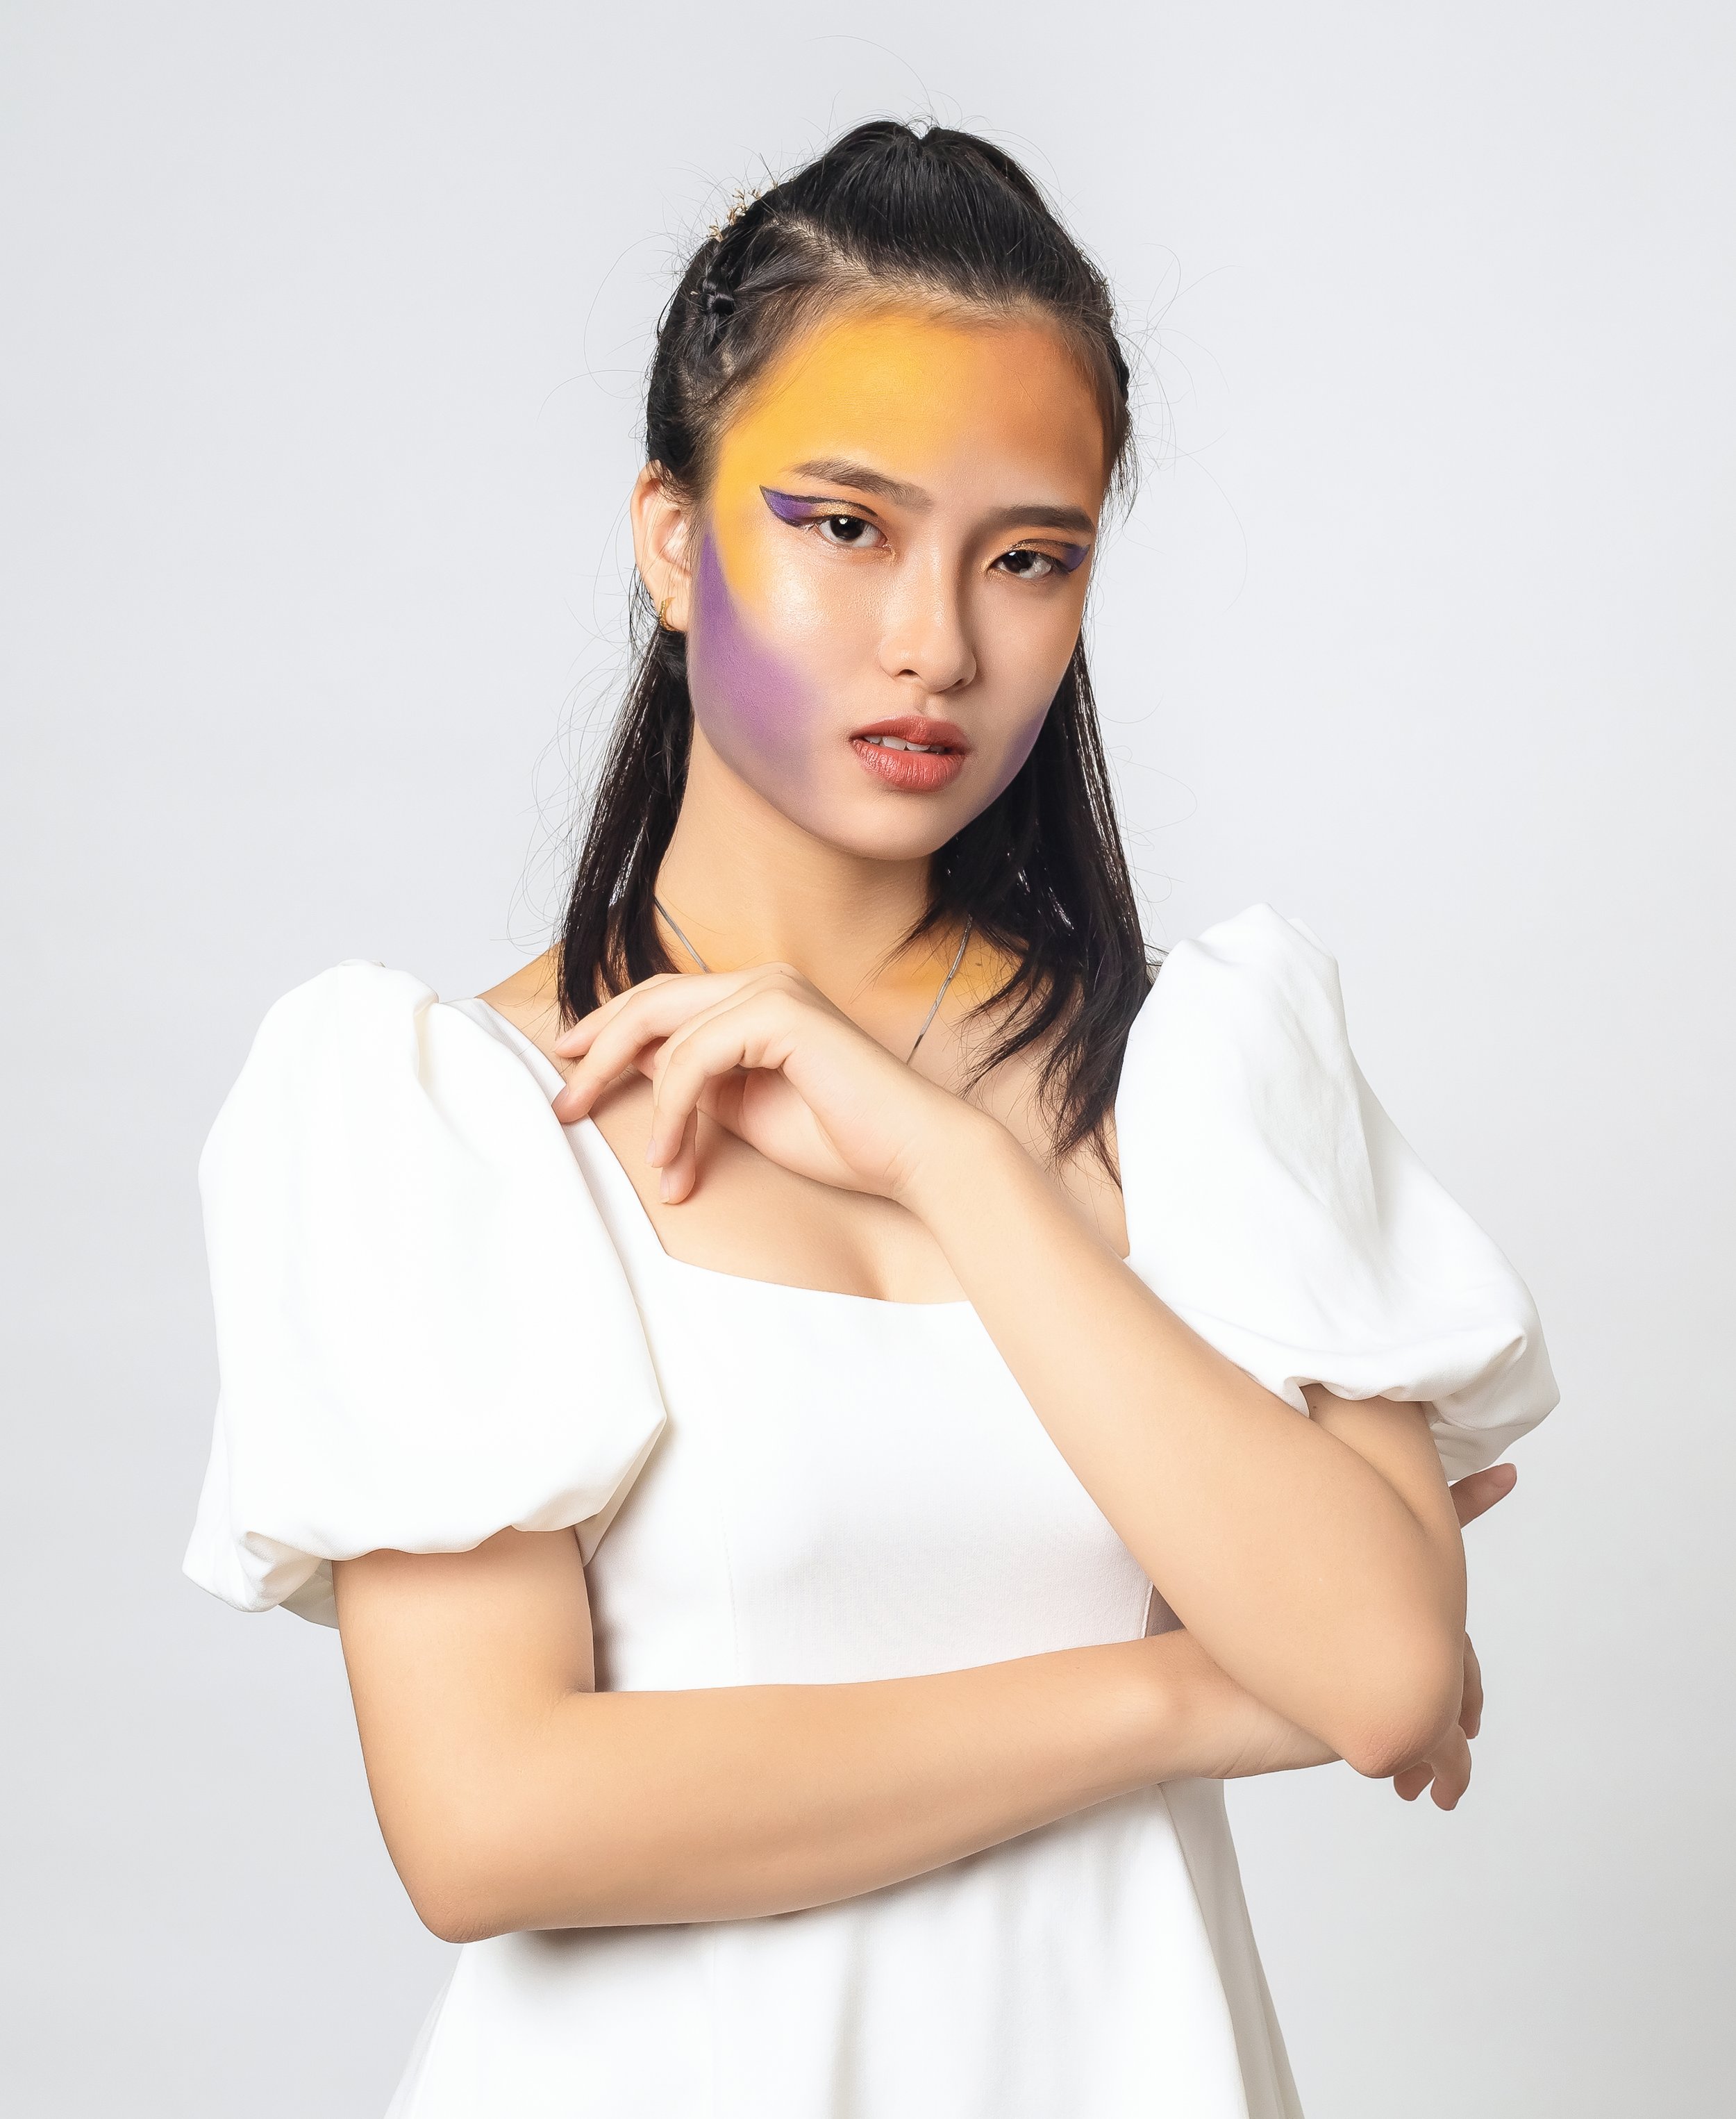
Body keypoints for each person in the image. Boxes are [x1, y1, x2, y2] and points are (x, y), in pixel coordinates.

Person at [184, 119, 1558, 2119]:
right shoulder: (450, 1113)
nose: (937, 640)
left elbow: (1364, 1675)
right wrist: (1183, 1687)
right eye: (843, 525)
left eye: (1028, 555)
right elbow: (488, 1820)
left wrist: (950, 1159)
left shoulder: (1204, 1070)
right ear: (673, 535)